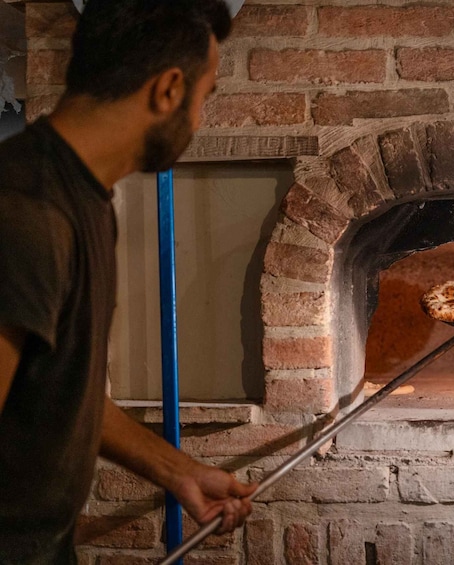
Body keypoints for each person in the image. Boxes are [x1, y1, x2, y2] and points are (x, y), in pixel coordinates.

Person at [0, 1, 257, 562]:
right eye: (204, 97)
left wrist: (180, 472)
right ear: (168, 89)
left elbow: (62, 392)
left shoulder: (83, 195)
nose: (199, 119)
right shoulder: (25, 213)